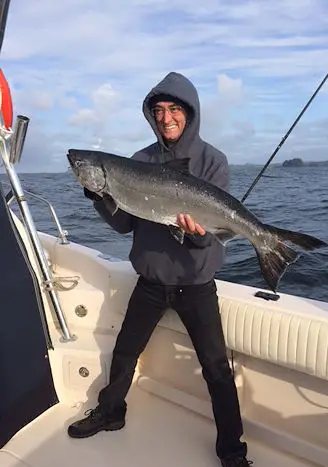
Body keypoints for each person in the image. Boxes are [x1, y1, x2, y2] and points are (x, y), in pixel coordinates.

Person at [68, 72, 252, 467]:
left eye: (174, 109)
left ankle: (232, 451)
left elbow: (212, 235)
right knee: (124, 353)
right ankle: (111, 412)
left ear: (189, 112)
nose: (166, 117)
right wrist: (99, 193)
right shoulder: (139, 161)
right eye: (158, 110)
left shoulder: (212, 161)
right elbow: (123, 224)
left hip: (196, 282)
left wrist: (197, 233)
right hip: (151, 279)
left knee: (217, 369)